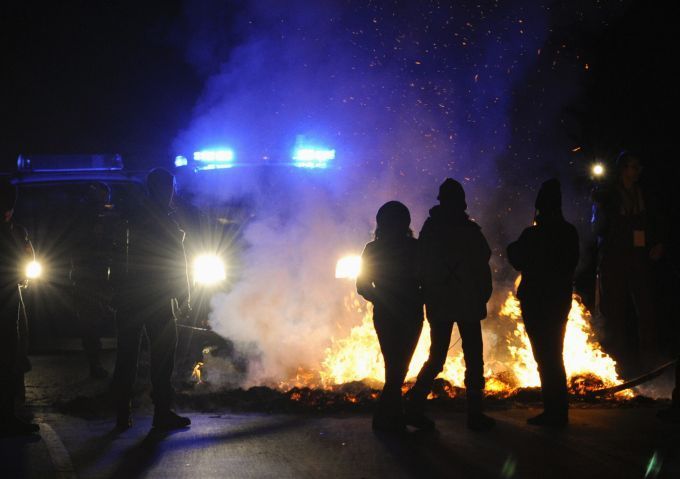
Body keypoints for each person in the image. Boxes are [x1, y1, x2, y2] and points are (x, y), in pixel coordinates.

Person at [407, 178, 495, 431]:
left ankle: (414, 406)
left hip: (443, 303)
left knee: (438, 358)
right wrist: (480, 294)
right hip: (464, 302)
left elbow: (420, 266)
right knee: (472, 359)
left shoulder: (432, 229)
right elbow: (482, 260)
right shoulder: (468, 230)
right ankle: (474, 415)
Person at [110, 168, 191, 431]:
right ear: (164, 189)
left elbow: (116, 257)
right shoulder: (163, 220)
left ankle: (123, 414)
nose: (171, 194)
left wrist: (114, 292)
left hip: (130, 298)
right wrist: (184, 295)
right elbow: (176, 262)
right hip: (157, 298)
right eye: (170, 189)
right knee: (162, 358)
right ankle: (161, 414)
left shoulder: (131, 217)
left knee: (126, 358)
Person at [507, 179, 579, 428]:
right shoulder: (569, 232)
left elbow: (515, 256)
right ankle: (558, 409)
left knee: (544, 356)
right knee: (554, 355)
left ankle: (554, 412)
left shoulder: (533, 234)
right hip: (559, 301)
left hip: (537, 303)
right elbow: (571, 264)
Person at [592, 151, 666, 373]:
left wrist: (658, 243)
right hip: (614, 259)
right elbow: (598, 228)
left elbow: (655, 221)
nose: (638, 171)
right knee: (614, 312)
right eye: (634, 167)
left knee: (646, 311)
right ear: (623, 169)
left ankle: (649, 364)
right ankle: (617, 364)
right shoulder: (607, 195)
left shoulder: (644, 194)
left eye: (639, 167)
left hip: (639, 258)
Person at [356, 201, 423, 433]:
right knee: (399, 366)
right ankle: (390, 417)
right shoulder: (415, 247)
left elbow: (363, 286)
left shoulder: (373, 249)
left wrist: (381, 298)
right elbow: (427, 278)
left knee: (394, 365)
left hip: (386, 314)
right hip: (410, 312)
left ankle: (391, 416)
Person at [0, 178, 39, 437]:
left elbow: (29, 259)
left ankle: (9, 411)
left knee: (14, 352)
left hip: (13, 295)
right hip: (8, 298)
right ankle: (7, 417)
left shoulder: (17, 230)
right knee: (9, 354)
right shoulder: (12, 231)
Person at [71, 182, 114, 379]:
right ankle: (94, 364)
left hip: (108, 275)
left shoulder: (109, 219)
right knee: (90, 321)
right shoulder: (83, 219)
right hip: (89, 276)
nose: (104, 203)